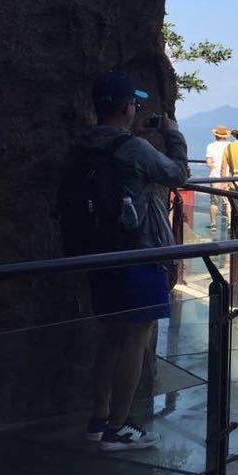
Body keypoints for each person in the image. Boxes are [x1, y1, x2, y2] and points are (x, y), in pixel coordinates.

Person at [79, 71, 189, 450]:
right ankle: (119, 426)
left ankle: (99, 419)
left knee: (111, 336)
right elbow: (178, 173)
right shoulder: (133, 148)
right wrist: (172, 133)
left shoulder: (86, 144)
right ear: (128, 106)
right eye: (134, 103)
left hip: (98, 253)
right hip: (138, 252)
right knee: (135, 339)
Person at [205, 125, 231, 232]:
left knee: (214, 202)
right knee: (228, 201)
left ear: (216, 135)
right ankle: (230, 224)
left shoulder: (210, 146)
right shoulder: (230, 146)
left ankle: (213, 224)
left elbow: (209, 163)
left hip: (215, 177)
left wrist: (214, 166)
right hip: (228, 177)